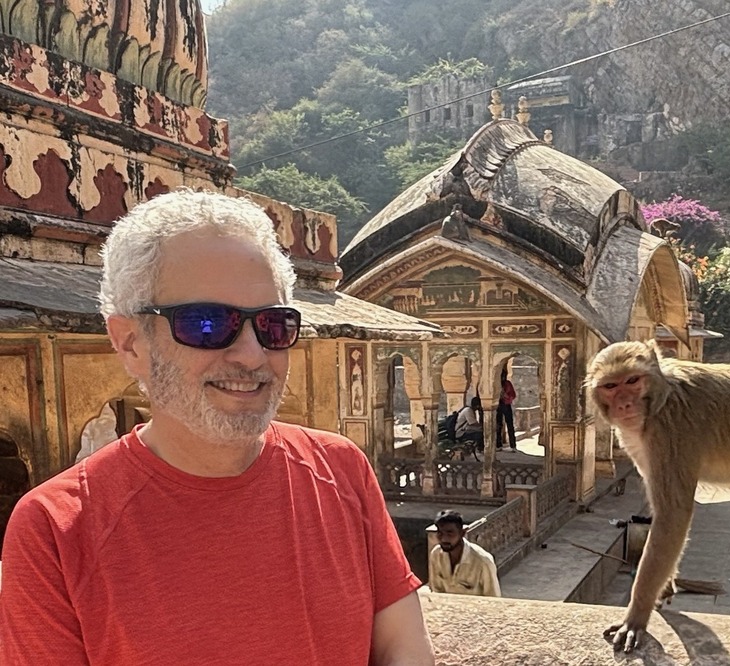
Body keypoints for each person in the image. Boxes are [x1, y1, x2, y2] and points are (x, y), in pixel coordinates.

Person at [0, 190, 434, 665]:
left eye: (272, 324)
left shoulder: (339, 470)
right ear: (129, 342)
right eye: (206, 323)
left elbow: (401, 647)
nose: (251, 355)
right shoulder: (58, 529)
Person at [428, 510, 501, 597]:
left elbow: (493, 598)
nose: (444, 539)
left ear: (462, 533)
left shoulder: (483, 561)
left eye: (450, 533)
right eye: (440, 533)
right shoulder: (436, 555)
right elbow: (435, 591)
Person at [496, 368, 517, 451]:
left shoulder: (507, 384)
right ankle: (498, 444)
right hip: (498, 405)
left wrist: (505, 395)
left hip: (506, 404)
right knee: (498, 425)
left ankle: (513, 445)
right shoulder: (496, 384)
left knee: (510, 425)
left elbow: (513, 395)